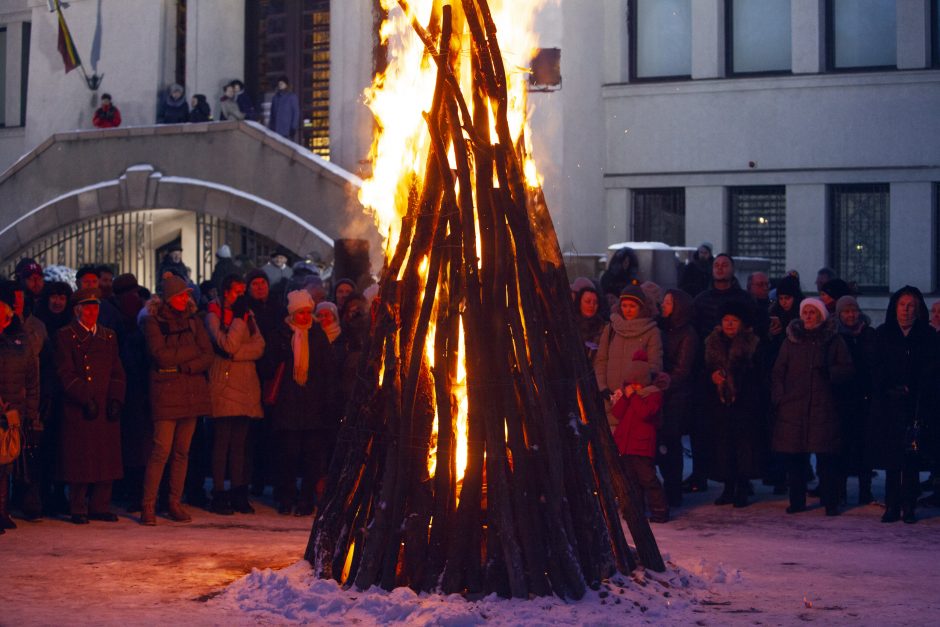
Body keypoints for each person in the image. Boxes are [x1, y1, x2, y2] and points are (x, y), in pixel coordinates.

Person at [139, 275, 214, 525]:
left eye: (187, 295)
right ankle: (148, 505)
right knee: (161, 450)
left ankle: (174, 501)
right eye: (182, 295)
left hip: (190, 392)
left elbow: (208, 354)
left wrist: (184, 365)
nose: (186, 299)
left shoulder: (194, 321)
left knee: (182, 452)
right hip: (167, 395)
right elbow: (160, 356)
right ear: (170, 298)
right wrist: (192, 355)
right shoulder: (152, 322)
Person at [772, 298, 854, 516]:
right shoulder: (790, 341)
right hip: (793, 408)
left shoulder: (833, 341)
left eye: (813, 312)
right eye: (805, 312)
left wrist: (830, 373)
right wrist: (780, 397)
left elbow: (846, 368)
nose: (808, 316)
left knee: (826, 459)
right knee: (795, 458)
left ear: (821, 316)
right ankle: (797, 501)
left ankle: (831, 501)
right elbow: (779, 371)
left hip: (824, 407)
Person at [55, 289, 126, 524]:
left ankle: (100, 505)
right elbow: (65, 374)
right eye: (87, 307)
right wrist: (85, 398)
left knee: (106, 459)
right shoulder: (65, 336)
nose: (92, 312)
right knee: (81, 461)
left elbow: (117, 371)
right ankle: (78, 507)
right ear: (77, 310)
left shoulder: (108, 336)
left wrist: (116, 400)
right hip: (80, 408)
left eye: (95, 307)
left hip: (104, 406)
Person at [260, 290, 334, 516]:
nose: (305, 317)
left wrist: (325, 401)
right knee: (288, 455)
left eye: (307, 313)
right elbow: (268, 366)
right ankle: (286, 496)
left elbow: (326, 370)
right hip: (288, 404)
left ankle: (306, 499)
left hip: (312, 405)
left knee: (312, 456)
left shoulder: (317, 336)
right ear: (292, 313)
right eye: (301, 313)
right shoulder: (281, 334)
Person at [871, 286, 938, 523]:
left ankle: (908, 505)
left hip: (916, 406)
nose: (906, 310)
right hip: (889, 405)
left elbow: (932, 370)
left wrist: (917, 388)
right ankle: (892, 505)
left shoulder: (928, 336)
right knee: (891, 459)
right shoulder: (883, 333)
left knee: (911, 457)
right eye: (902, 305)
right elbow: (876, 368)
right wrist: (890, 388)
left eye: (911, 306)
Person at [205, 275, 265, 515]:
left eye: (243, 291)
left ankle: (240, 491)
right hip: (225, 384)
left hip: (245, 384)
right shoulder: (214, 315)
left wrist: (236, 354)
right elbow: (226, 344)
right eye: (237, 292)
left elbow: (259, 346)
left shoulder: (247, 314)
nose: (241, 296)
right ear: (226, 291)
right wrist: (239, 321)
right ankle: (220, 492)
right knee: (222, 443)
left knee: (240, 443)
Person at [704, 301, 765, 508]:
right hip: (720, 404)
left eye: (734, 320)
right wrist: (713, 377)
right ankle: (728, 486)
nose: (729, 324)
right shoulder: (712, 343)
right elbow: (703, 370)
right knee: (724, 445)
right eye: (726, 320)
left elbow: (759, 375)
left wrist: (738, 379)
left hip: (744, 403)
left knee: (743, 446)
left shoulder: (751, 344)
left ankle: (742, 486)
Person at [611, 348, 668, 523]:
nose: (634, 386)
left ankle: (659, 510)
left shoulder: (653, 395)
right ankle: (636, 510)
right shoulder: (631, 397)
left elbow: (645, 413)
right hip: (627, 445)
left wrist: (634, 397)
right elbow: (617, 413)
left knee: (648, 479)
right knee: (631, 480)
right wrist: (625, 398)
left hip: (642, 445)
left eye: (637, 383)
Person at [595, 285, 663, 431]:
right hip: (609, 400)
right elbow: (601, 360)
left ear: (641, 307)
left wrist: (634, 391)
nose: (628, 310)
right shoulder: (612, 328)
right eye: (624, 305)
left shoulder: (651, 332)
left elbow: (654, 365)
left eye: (632, 306)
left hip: (635, 401)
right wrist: (603, 388)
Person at [833, 295, 877, 505]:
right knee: (841, 446)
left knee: (865, 447)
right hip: (842, 398)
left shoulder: (869, 334)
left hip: (865, 398)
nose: (850, 315)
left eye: (853, 311)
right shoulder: (834, 337)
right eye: (846, 312)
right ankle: (839, 489)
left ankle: (865, 490)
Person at [0, 296, 39, 534]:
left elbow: (32, 381)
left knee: (5, 464)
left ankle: (2, 510)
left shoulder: (19, 344)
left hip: (12, 414)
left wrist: (30, 412)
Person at [657, 288, 698, 508]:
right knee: (662, 443)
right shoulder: (663, 328)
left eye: (668, 303)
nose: (663, 306)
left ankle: (673, 490)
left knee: (671, 443)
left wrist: (667, 381)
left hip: (676, 396)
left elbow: (683, 368)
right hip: (662, 391)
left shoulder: (687, 334)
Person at [574, 285, 605, 363]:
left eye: (595, 302)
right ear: (579, 302)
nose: (592, 305)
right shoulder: (571, 326)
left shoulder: (603, 327)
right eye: (587, 301)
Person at [269, 76, 300, 141]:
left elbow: (296, 112)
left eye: (282, 83)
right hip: (275, 129)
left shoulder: (292, 97)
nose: (280, 85)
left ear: (286, 85)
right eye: (279, 84)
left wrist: (293, 127)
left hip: (287, 129)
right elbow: (272, 113)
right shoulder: (275, 98)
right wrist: (271, 127)